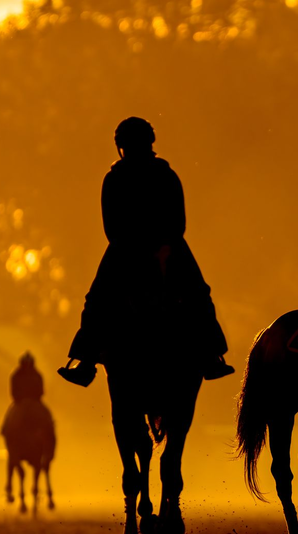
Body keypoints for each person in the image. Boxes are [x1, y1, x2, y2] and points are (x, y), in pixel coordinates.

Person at [58, 117, 233, 386]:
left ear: (121, 146)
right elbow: (179, 222)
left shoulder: (115, 179)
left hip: (132, 250)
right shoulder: (166, 176)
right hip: (165, 247)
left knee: (96, 300)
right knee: (198, 294)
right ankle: (211, 355)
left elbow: (112, 227)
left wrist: (139, 245)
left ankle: (86, 360)